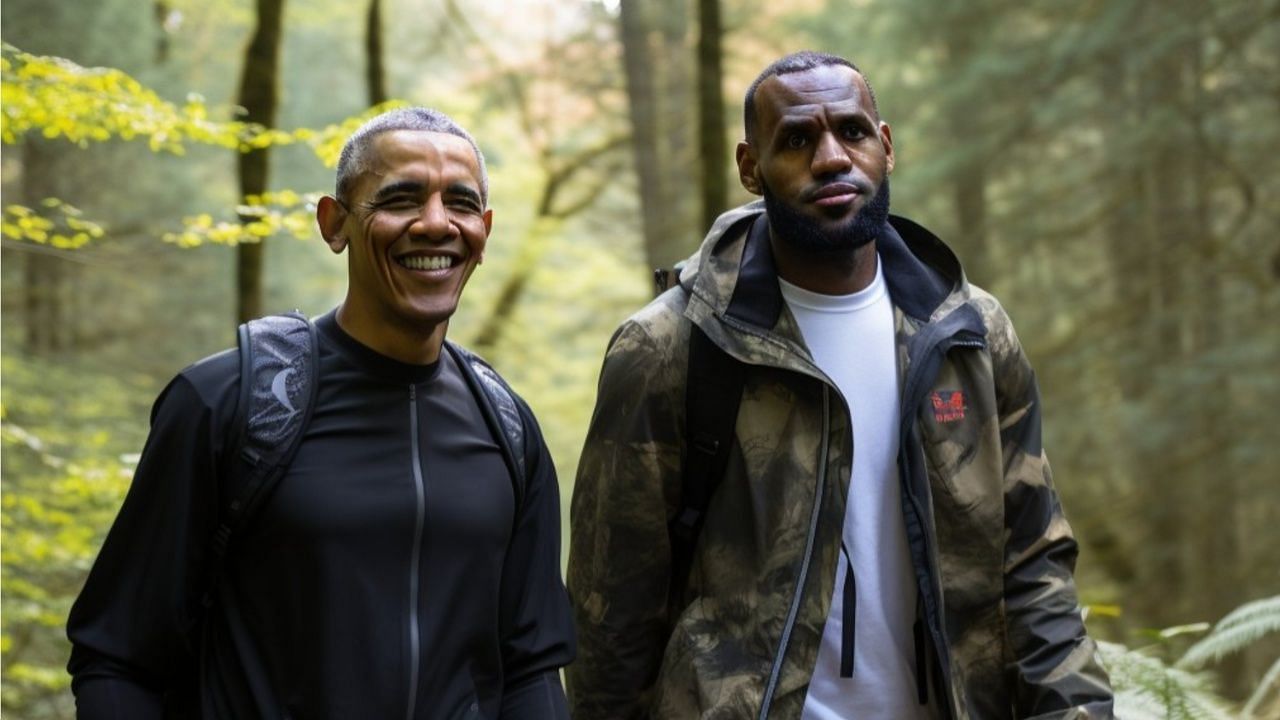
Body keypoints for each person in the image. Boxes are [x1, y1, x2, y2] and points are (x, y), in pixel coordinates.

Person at [565, 52, 1114, 719]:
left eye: (851, 132)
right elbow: (610, 618)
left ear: (884, 146)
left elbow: (1034, 568)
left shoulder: (971, 334)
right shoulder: (669, 349)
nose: (830, 158)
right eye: (796, 140)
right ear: (750, 167)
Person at [67, 107, 575, 719]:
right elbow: (118, 659)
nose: (436, 223)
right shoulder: (226, 403)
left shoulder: (508, 427)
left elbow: (531, 669)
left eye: (460, 204)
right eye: (401, 199)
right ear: (334, 224)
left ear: (484, 231)